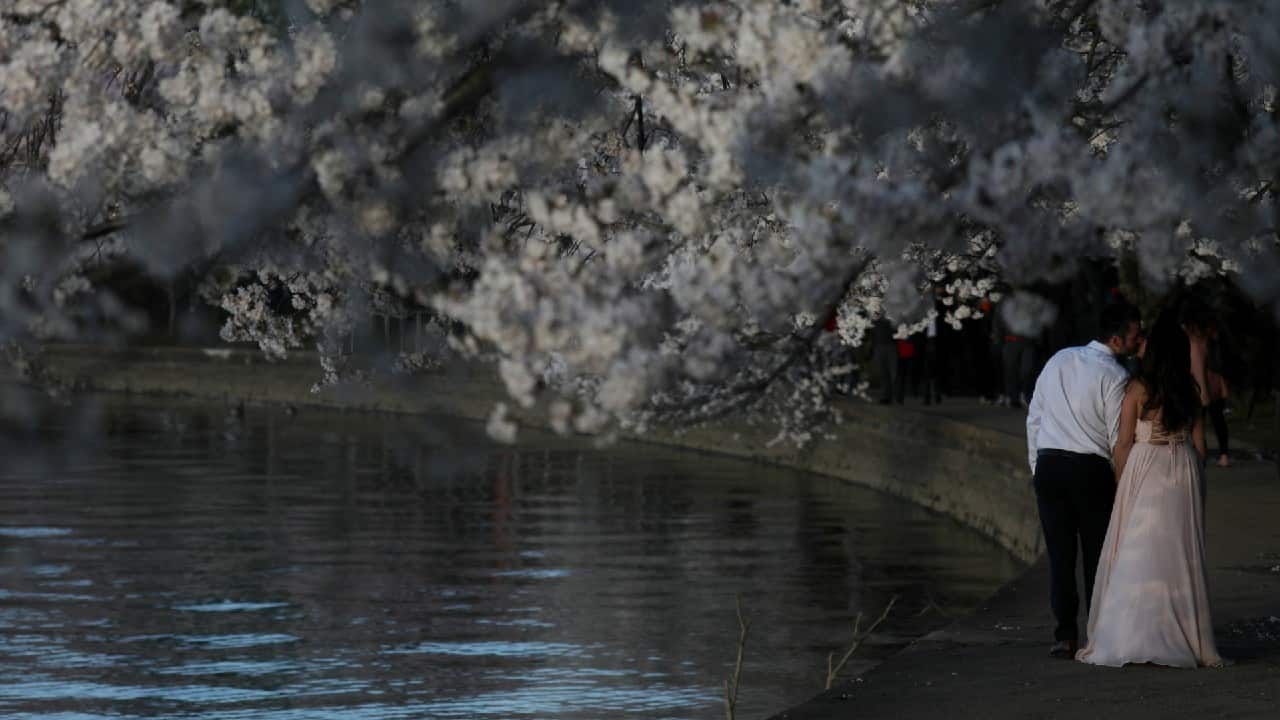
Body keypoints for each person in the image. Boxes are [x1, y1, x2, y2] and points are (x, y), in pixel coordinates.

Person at [1076, 308, 1226, 668]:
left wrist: (1121, 482)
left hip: (1146, 464)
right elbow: (1200, 444)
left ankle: (1133, 632)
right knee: (1178, 550)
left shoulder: (1138, 388)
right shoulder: (1189, 390)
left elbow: (1123, 442)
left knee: (1139, 545)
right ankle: (1183, 631)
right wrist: (1196, 478)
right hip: (1182, 465)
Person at [1026, 301, 1142, 658]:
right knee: (1097, 555)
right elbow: (1116, 438)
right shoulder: (1116, 376)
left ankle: (1064, 634)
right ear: (1116, 339)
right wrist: (1122, 483)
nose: (1139, 342)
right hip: (1090, 469)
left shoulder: (1058, 359)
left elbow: (1035, 417)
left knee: (1060, 556)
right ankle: (1096, 632)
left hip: (1049, 464)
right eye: (1135, 336)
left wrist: (1036, 466)